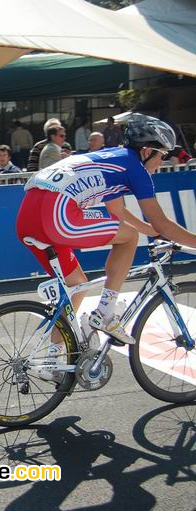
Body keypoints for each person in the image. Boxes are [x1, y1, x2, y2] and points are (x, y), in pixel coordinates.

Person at [16, 113, 196, 350]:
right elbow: (162, 223)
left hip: (28, 215)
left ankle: (53, 356)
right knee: (129, 236)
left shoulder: (113, 159)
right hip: (57, 213)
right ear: (146, 150)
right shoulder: (135, 168)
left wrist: (152, 232)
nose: (161, 162)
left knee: (76, 284)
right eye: (161, 154)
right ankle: (105, 312)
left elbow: (117, 209)